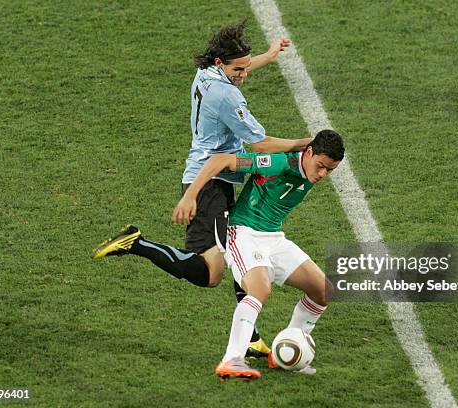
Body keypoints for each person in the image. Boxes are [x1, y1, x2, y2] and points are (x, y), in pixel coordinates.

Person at [92, 21, 311, 358]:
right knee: (211, 272)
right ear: (222, 64)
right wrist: (303, 144)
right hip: (210, 181)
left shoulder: (208, 73)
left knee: (236, 252)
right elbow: (259, 143)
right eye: (238, 69)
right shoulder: (227, 95)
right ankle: (136, 243)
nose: (243, 73)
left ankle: (250, 337)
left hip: (212, 179)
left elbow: (243, 64)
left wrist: (268, 57)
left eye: (244, 66)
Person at [173, 129, 345, 381]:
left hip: (273, 238)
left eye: (329, 170)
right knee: (260, 289)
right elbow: (220, 161)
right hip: (243, 233)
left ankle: (288, 347)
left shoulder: (310, 165)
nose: (322, 175)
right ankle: (232, 359)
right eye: (320, 166)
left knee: (323, 291)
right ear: (308, 153)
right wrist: (190, 195)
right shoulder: (277, 164)